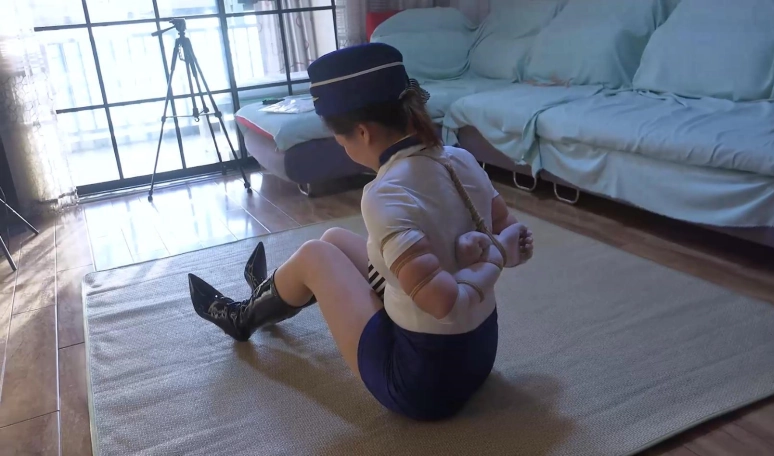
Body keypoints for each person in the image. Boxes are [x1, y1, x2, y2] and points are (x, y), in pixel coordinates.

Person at [188, 42, 534, 421]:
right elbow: (513, 237)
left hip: (426, 383)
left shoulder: (386, 193)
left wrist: (494, 256)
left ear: (363, 132)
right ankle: (270, 294)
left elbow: (441, 301)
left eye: (341, 140)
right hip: (479, 354)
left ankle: (242, 317)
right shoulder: (461, 159)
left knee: (315, 256)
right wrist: (499, 251)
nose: (343, 147)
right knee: (333, 239)